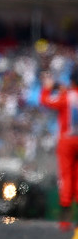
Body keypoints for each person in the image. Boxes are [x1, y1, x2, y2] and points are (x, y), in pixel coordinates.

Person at [39, 69, 78, 228]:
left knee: (66, 176)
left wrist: (48, 87)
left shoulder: (66, 96)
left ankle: (65, 217)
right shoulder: (67, 94)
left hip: (67, 139)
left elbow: (45, 101)